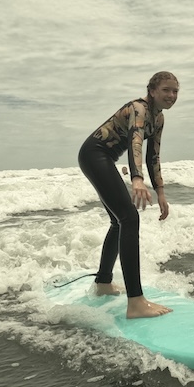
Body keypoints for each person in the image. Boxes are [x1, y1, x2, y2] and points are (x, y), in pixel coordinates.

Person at [78, 71, 179, 318]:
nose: (172, 95)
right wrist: (137, 178)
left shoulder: (159, 118)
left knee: (119, 221)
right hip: (94, 155)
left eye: (175, 91)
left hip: (104, 158)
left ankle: (103, 283)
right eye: (166, 90)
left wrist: (161, 192)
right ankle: (135, 302)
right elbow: (136, 141)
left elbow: (153, 155)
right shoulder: (139, 108)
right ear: (152, 91)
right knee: (129, 218)